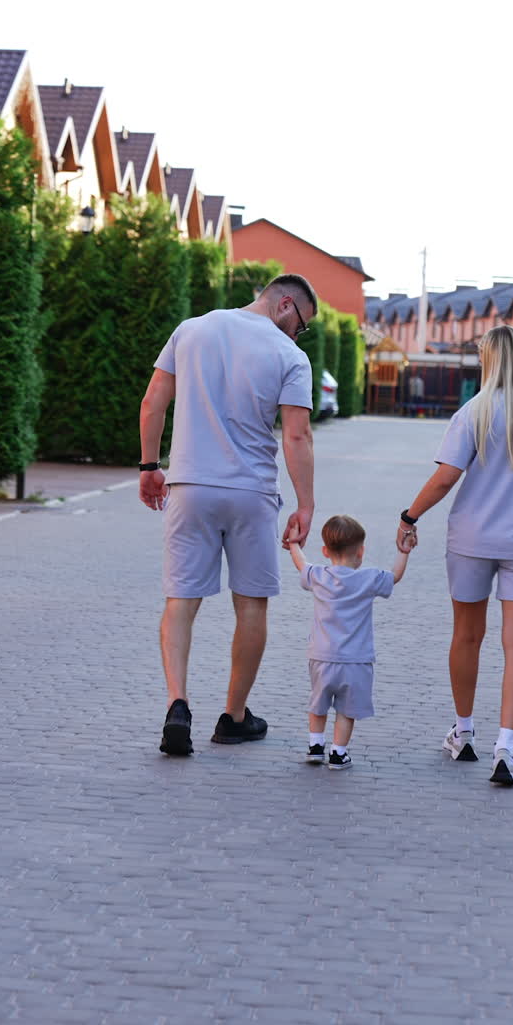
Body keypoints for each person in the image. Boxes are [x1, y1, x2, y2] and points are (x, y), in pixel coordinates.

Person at [396, 324, 513, 787]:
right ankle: (507, 747)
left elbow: (445, 478)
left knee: (467, 636)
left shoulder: (475, 411)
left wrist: (409, 517)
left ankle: (463, 733)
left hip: (472, 540)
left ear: (491, 360)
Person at [139, 273, 317, 757]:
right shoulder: (288, 356)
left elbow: (153, 401)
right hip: (250, 491)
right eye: (301, 324)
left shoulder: (191, 329)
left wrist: (150, 466)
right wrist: (305, 504)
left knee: (181, 600)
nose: (298, 335)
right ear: (285, 305)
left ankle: (177, 705)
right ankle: (234, 717)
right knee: (252, 604)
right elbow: (296, 435)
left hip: (190, 486)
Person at [288, 514, 413, 769]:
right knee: (347, 709)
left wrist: (293, 543)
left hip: (321, 657)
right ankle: (338, 752)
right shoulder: (369, 579)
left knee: (318, 703)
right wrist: (404, 551)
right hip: (356, 660)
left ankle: (315, 745)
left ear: (325, 551)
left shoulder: (318, 575)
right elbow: (395, 576)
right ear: (361, 551)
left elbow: (301, 564)